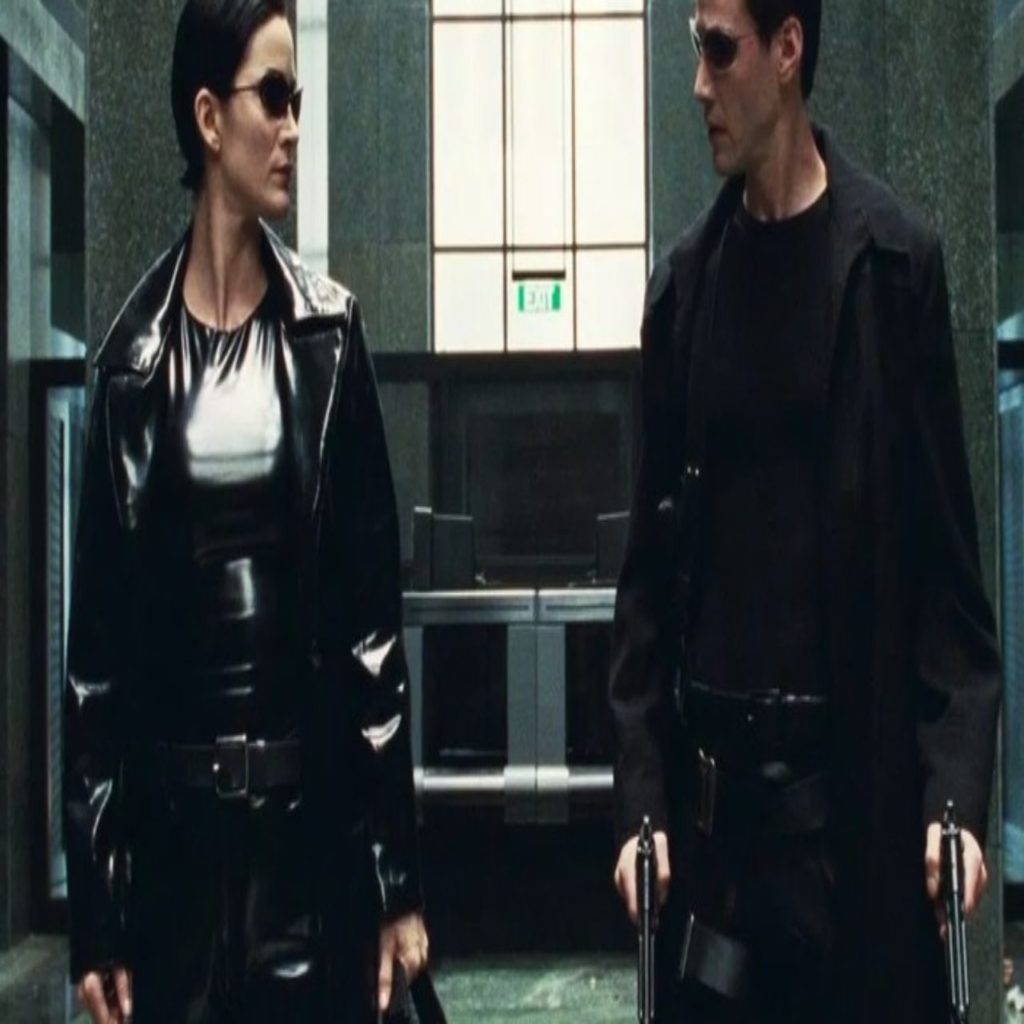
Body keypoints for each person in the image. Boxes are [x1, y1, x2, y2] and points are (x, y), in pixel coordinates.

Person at [609, 0, 1001, 1020]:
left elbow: (950, 593)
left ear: (788, 49)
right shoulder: (682, 293)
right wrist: (642, 799)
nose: (699, 84)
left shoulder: (892, 269)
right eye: (695, 48)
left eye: (720, 49)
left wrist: (953, 798)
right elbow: (645, 590)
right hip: (718, 855)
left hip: (855, 842)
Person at [64, 2, 427, 1021]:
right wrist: (99, 912)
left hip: (308, 871)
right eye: (273, 96)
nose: (293, 126)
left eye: (297, 98)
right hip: (174, 881)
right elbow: (96, 672)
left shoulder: (327, 339)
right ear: (208, 118)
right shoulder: (131, 368)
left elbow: (370, 637)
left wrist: (394, 882)